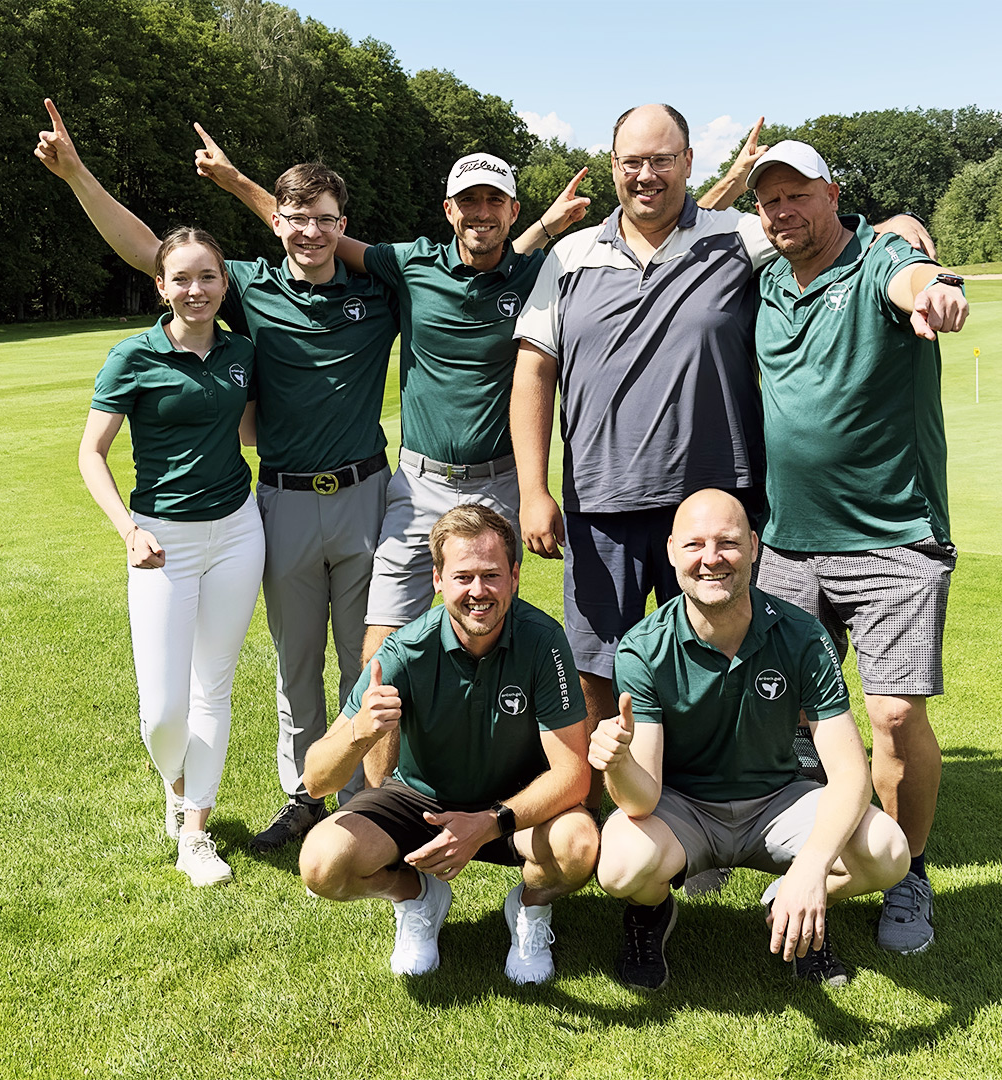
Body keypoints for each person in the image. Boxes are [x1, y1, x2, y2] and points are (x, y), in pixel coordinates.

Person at [510, 105, 933, 816]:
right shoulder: (570, 256)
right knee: (598, 675)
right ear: (614, 166)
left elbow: (828, 232)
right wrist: (532, 488)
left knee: (709, 673)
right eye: (631, 161)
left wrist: (903, 228)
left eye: (662, 159)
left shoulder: (737, 238)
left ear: (688, 163)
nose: (646, 174)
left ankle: (700, 811)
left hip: (713, 514)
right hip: (599, 505)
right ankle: (598, 818)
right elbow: (532, 371)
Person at [36, 101, 395, 854]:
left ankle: (365, 801)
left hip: (365, 496)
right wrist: (77, 175)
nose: (309, 231)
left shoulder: (378, 290)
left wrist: (237, 181)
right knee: (295, 667)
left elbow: (440, 262)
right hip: (282, 503)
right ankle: (304, 797)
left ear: (343, 223)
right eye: (295, 218)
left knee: (364, 662)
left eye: (326, 219)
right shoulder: (249, 289)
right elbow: (154, 251)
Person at [187, 129, 589, 671]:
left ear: (514, 210)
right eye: (469, 200)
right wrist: (236, 182)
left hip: (501, 483)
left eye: (495, 200)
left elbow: (641, 244)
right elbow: (309, 232)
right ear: (448, 209)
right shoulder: (410, 266)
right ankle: (376, 756)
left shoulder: (537, 272)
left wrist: (546, 230)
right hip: (419, 484)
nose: (481, 211)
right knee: (381, 652)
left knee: (491, 638)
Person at [742, 140, 969, 954]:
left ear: (832, 194)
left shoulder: (879, 258)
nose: (781, 211)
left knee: (895, 713)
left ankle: (907, 871)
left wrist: (936, 288)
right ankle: (815, 845)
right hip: (789, 544)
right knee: (793, 715)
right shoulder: (766, 276)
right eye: (767, 201)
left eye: (797, 194)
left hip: (893, 536)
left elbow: (914, 274)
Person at [590, 490, 910, 989]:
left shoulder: (802, 634)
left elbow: (850, 774)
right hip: (685, 809)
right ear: (672, 551)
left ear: (755, 547)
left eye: (728, 542)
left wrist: (810, 870)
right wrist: (617, 765)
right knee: (620, 864)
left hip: (779, 803)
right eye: (695, 544)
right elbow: (643, 797)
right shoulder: (644, 648)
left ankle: (794, 902)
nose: (711, 558)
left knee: (888, 850)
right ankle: (649, 916)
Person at [298, 506, 596, 984]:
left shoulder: (543, 641)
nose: (478, 592)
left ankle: (531, 910)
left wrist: (488, 823)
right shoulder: (403, 650)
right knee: (321, 864)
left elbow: (572, 772)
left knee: (578, 844)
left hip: (511, 803)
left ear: (515, 577)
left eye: (492, 575)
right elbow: (315, 780)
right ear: (437, 580)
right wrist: (359, 732)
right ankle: (416, 896)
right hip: (421, 800)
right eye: (463, 577)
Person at [76, 227, 265, 886]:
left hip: (239, 533)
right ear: (160, 287)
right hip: (161, 543)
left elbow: (249, 429)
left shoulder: (242, 351)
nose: (196, 290)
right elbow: (90, 454)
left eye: (208, 277)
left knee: (212, 689)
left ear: (223, 283)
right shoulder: (132, 357)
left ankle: (195, 833)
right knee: (161, 711)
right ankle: (178, 780)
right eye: (181, 279)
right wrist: (129, 530)